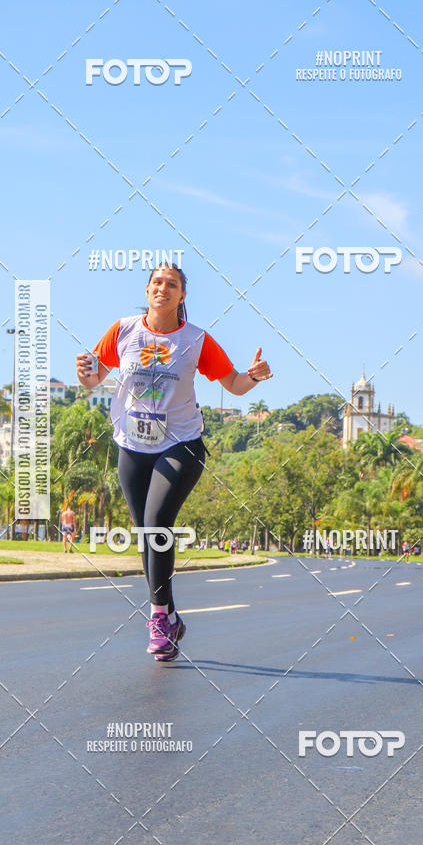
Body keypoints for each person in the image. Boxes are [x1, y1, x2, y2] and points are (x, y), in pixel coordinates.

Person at [76, 263, 272, 661]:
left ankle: (159, 618)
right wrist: (84, 372)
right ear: (147, 290)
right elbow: (94, 378)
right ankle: (172, 616)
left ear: (183, 295)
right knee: (146, 536)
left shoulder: (196, 340)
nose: (163, 288)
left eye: (172, 284)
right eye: (157, 283)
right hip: (132, 446)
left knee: (157, 524)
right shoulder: (124, 330)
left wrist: (254, 377)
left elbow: (233, 384)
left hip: (181, 443)